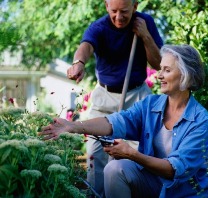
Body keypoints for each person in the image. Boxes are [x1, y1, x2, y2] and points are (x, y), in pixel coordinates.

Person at [40, 44, 208, 198]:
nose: (159, 75)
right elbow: (115, 121)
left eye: (167, 70)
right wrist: (74, 126)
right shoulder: (150, 105)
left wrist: (132, 154)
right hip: (152, 184)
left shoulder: (200, 121)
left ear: (186, 76)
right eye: (160, 69)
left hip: (182, 192)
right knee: (114, 169)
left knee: (125, 164)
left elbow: (174, 170)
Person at [67, 0, 163, 195]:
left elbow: (158, 64)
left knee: (135, 155)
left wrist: (145, 36)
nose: (119, 17)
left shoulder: (145, 22)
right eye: (114, 11)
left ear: (135, 6)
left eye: (124, 11)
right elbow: (86, 46)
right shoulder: (99, 27)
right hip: (105, 97)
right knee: (95, 154)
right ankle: (96, 194)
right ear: (106, 6)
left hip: (137, 97)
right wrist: (78, 63)